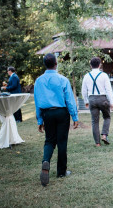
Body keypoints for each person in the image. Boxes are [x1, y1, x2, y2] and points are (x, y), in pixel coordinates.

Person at [34, 53, 79, 186]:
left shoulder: (38, 81)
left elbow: (37, 102)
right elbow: (70, 100)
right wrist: (75, 116)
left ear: (45, 65)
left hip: (47, 113)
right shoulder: (63, 79)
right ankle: (61, 172)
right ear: (56, 64)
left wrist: (39, 120)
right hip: (61, 112)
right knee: (62, 141)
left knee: (49, 140)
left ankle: (45, 161)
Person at [82, 57, 113, 147]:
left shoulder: (87, 76)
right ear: (100, 65)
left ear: (90, 65)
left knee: (94, 121)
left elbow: (84, 90)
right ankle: (104, 135)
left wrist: (86, 101)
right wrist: (112, 102)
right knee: (107, 117)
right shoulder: (104, 75)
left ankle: (97, 143)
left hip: (92, 99)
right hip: (103, 99)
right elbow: (108, 90)